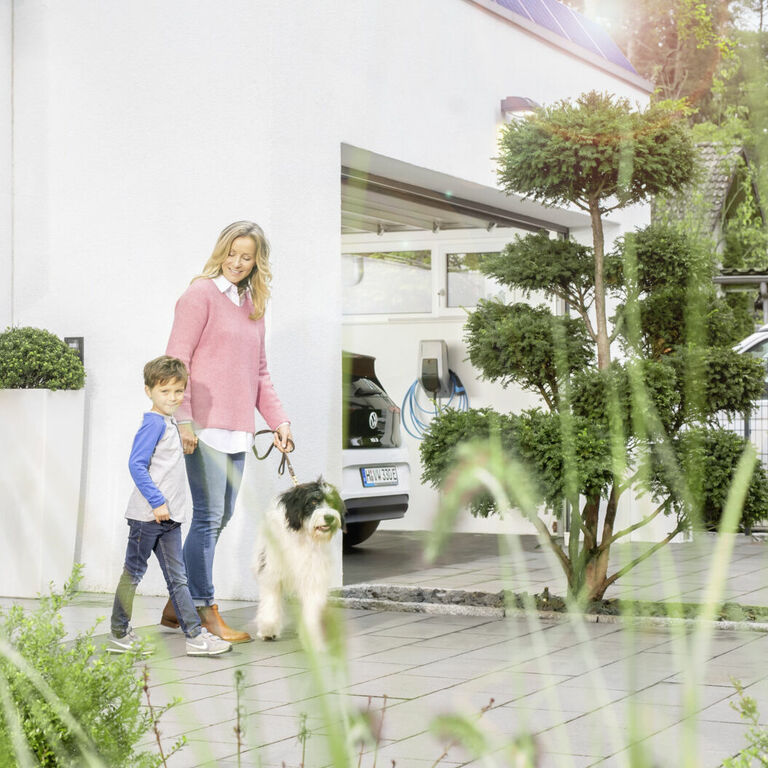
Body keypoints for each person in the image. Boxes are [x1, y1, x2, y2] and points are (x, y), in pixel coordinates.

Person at [162, 221, 292, 643]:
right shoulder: (199, 295)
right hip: (200, 427)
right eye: (232, 254)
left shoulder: (253, 303)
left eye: (246, 256)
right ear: (221, 252)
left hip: (237, 428)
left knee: (221, 518)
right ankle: (202, 610)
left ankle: (175, 601)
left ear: (257, 261)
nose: (237, 263)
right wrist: (182, 419)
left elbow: (260, 373)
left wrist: (279, 421)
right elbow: (176, 361)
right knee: (208, 517)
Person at [107, 356, 232, 657]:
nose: (173, 398)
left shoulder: (170, 422)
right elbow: (136, 465)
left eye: (178, 392)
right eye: (165, 392)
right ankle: (119, 633)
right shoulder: (152, 423)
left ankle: (195, 637)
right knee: (133, 574)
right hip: (147, 518)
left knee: (178, 579)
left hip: (170, 519)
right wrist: (157, 501)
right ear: (149, 391)